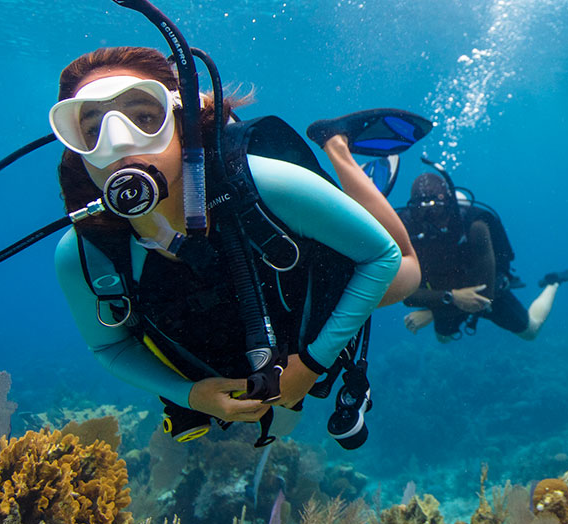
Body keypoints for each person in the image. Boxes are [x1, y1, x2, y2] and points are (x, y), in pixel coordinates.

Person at [52, 47, 414, 437]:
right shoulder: (85, 255)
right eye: (92, 129)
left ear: (182, 123)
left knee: (408, 272)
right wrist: (191, 395)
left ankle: (337, 147)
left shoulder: (267, 183)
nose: (119, 144)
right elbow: (109, 346)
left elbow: (382, 256)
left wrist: (311, 364)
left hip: (318, 280)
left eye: (144, 117)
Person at [397, 172, 568, 342]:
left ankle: (553, 282)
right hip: (448, 296)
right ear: (412, 211)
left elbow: (485, 295)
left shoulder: (475, 226)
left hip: (488, 291)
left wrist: (434, 311)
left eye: (437, 210)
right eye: (422, 212)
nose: (431, 219)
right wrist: (451, 297)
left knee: (531, 331)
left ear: (449, 205)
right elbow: (405, 294)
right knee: (443, 338)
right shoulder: (407, 230)